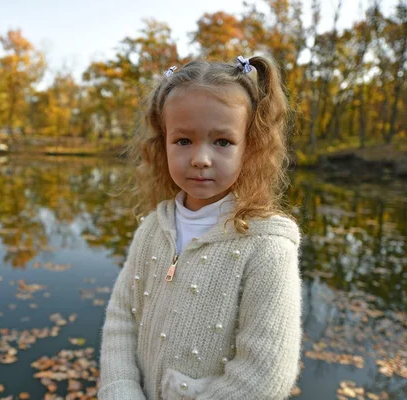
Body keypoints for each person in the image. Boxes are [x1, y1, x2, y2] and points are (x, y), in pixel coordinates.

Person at [98, 55, 302, 400]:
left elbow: (264, 379)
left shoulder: (266, 247)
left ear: (249, 148)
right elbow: (122, 321)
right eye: (183, 141)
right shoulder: (153, 228)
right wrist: (120, 391)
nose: (201, 158)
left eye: (222, 142)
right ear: (162, 144)